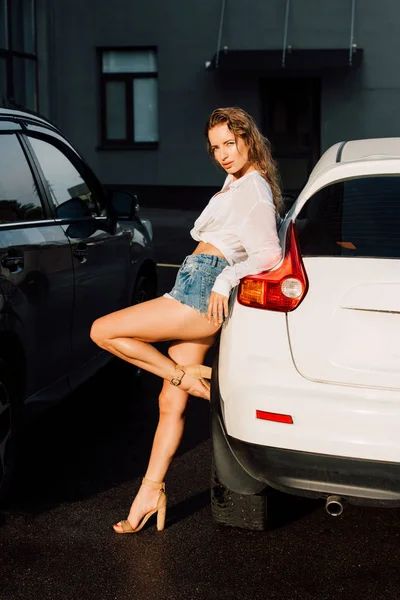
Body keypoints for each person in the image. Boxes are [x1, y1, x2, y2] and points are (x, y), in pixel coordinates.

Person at [90, 106, 283, 534]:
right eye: (215, 148)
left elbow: (268, 254)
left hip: (202, 293)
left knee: (102, 331)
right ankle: (150, 491)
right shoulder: (235, 183)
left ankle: (189, 377)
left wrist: (225, 280)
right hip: (194, 286)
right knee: (168, 406)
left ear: (248, 140)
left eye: (229, 144)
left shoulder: (253, 188)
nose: (223, 154)